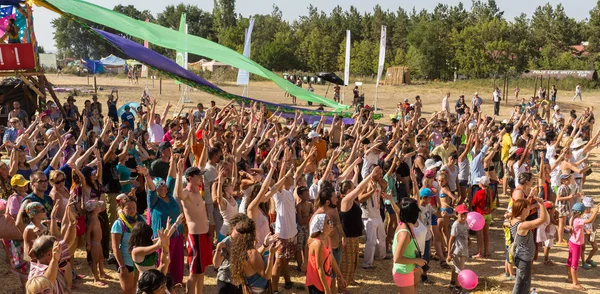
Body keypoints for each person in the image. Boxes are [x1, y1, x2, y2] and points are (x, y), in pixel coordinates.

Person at [176, 160, 211, 294]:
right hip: (195, 237)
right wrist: (179, 174)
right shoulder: (187, 194)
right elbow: (179, 194)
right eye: (199, 176)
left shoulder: (198, 192)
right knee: (194, 274)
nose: (202, 178)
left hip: (204, 235)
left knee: (202, 272)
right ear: (190, 178)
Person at [510, 197, 548, 294]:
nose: (530, 209)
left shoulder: (514, 219)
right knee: (521, 283)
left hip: (521, 256)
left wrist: (530, 197)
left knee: (523, 282)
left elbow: (524, 206)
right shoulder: (523, 225)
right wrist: (541, 204)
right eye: (528, 208)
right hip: (524, 258)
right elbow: (542, 219)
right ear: (523, 210)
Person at [111, 196, 144, 294]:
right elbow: (115, 247)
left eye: (134, 207)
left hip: (138, 262)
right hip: (126, 262)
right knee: (127, 291)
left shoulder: (141, 220)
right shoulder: (119, 224)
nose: (132, 210)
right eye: (128, 208)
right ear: (122, 209)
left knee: (135, 289)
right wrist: (122, 266)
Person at [306, 213, 346, 294]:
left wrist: (340, 276)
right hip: (316, 282)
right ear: (321, 226)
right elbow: (319, 267)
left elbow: (331, 258)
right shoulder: (318, 244)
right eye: (328, 222)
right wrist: (326, 288)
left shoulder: (327, 238)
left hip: (325, 278)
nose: (331, 224)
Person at [393, 197, 426, 294]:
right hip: (404, 272)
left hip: (407, 269)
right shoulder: (405, 233)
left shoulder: (405, 225)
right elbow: (397, 258)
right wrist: (417, 261)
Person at [567, 202, 599, 290]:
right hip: (576, 244)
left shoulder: (572, 219)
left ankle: (570, 278)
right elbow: (590, 221)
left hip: (572, 242)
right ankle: (575, 283)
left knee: (569, 261)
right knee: (574, 264)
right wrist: (596, 211)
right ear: (581, 212)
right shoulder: (578, 220)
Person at [447, 204, 469, 293]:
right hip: (458, 251)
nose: (464, 218)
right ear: (456, 214)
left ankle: (452, 283)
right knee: (460, 270)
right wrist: (449, 253)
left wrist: (469, 239)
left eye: (465, 215)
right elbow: (451, 239)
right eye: (461, 215)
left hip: (463, 248)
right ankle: (458, 288)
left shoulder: (465, 223)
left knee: (456, 268)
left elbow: (466, 232)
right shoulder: (456, 225)